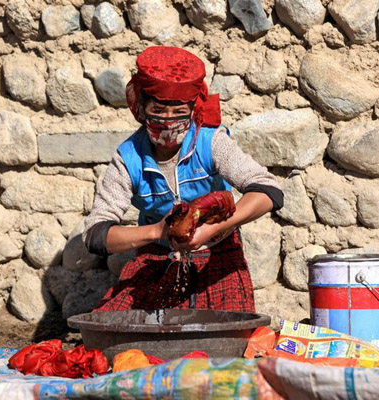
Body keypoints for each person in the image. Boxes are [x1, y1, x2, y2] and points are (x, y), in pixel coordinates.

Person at [83, 46, 283, 313]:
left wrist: (211, 230)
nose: (168, 121)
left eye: (178, 113)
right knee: (119, 332)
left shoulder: (210, 142)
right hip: (156, 257)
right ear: (141, 107)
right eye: (158, 110)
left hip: (218, 256)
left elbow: (269, 191)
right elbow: (95, 234)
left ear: (193, 108)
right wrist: (159, 231)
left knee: (225, 340)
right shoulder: (128, 158)